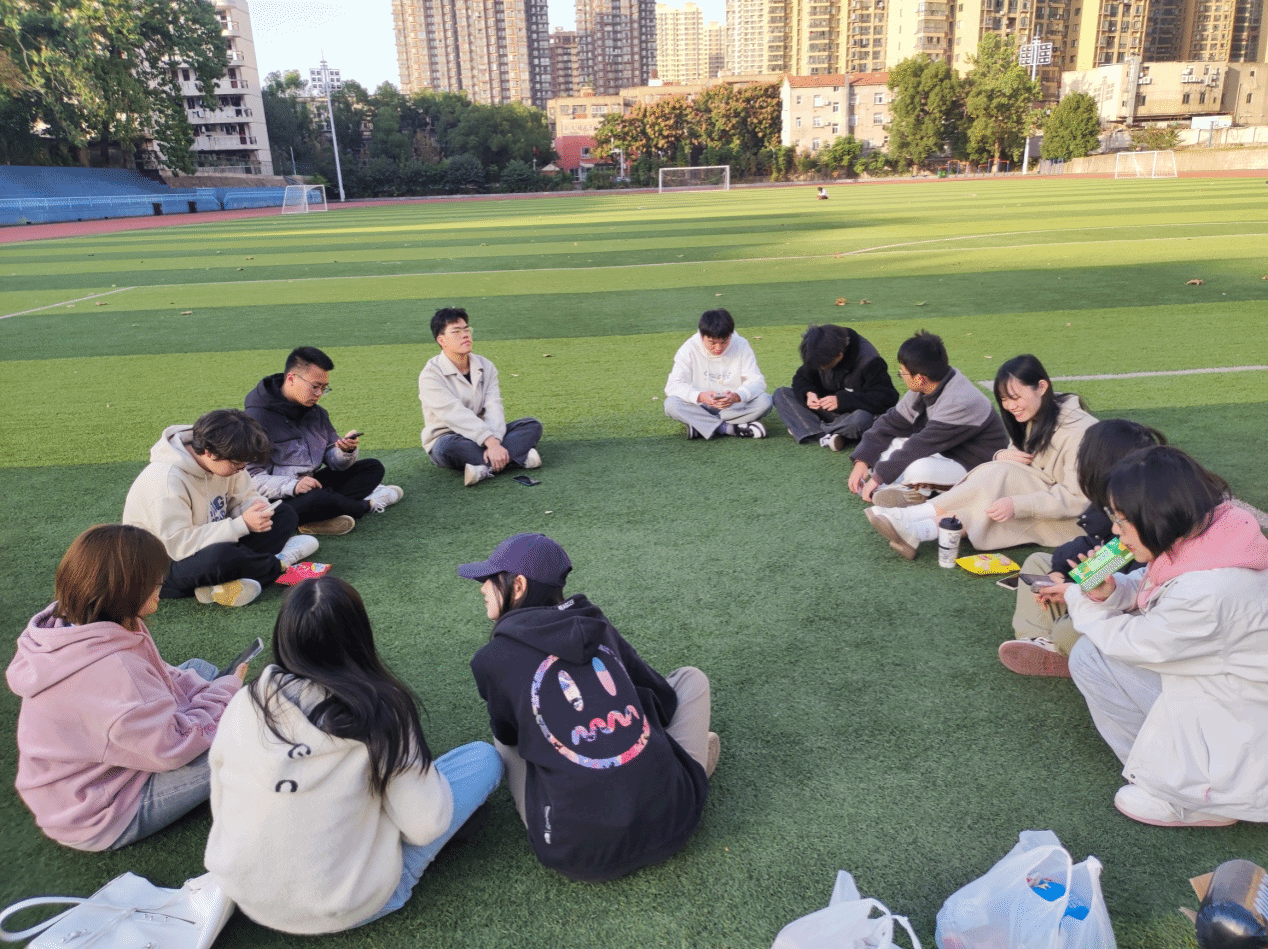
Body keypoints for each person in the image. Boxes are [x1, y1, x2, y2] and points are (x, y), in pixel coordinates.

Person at [205, 576, 502, 933]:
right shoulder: (381, 713)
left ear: (284, 637)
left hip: (244, 894)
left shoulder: (245, 701)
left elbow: (221, 796)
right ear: (358, 637)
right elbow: (426, 827)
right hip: (345, 906)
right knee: (483, 760)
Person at [464, 533, 717, 882]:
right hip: (675, 819)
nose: (482, 588)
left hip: (575, 852)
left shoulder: (490, 660)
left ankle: (678, 766)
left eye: (489, 579)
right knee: (690, 678)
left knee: (501, 741)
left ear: (518, 585)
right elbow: (665, 700)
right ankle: (683, 766)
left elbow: (509, 736)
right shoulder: (596, 624)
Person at [1041, 446, 1268, 827]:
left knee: (1096, 654)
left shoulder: (1210, 590)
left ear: (1156, 515)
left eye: (1122, 520)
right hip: (1234, 694)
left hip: (1243, 716)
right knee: (1090, 655)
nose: (1115, 531)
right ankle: (1165, 775)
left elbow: (1132, 643)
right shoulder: (1214, 532)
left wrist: (1079, 598)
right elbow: (1157, 583)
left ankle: (1199, 798)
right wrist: (1110, 592)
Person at [7, 524, 244, 851]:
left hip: (74, 781)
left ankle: (212, 705)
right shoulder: (116, 671)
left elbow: (163, 675)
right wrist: (226, 693)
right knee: (240, 740)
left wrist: (213, 697)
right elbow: (172, 747)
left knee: (198, 671)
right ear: (125, 588)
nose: (162, 585)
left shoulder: (77, 624)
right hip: (98, 812)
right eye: (155, 580)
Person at [865, 354, 1096, 560]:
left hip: (1069, 516)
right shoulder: (1038, 411)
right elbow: (1016, 451)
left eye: (1015, 398)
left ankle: (913, 519)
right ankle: (917, 528)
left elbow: (1076, 500)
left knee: (994, 482)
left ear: (1042, 387)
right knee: (991, 485)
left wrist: (1017, 504)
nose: (1010, 406)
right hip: (1032, 487)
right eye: (1004, 399)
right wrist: (1004, 454)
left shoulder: (1078, 432)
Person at [999, 419, 1166, 677]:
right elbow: (1096, 547)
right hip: (1110, 583)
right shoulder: (1113, 501)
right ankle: (1039, 641)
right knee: (1038, 564)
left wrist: (1078, 589)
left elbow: (1136, 586)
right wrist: (1060, 571)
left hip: (1129, 606)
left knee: (1068, 630)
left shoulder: (1148, 514)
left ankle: (1062, 648)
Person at [123, 409, 318, 608]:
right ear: (209, 452)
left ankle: (218, 584)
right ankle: (279, 564)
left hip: (213, 542)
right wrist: (242, 525)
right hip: (163, 565)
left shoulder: (227, 457)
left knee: (284, 514)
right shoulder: (166, 481)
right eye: (237, 464)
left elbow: (245, 496)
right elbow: (179, 546)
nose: (242, 469)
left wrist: (256, 508)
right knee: (221, 557)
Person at [245, 346, 402, 536]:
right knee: (319, 498)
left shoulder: (316, 413)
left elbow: (333, 460)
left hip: (310, 486)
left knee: (372, 468)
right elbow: (250, 479)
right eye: (315, 386)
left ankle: (321, 516)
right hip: (277, 499)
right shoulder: (256, 419)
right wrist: (292, 486)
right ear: (291, 378)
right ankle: (365, 505)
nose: (319, 394)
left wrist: (344, 451)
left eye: (324, 388)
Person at [848, 330, 1008, 506]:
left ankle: (905, 489)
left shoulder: (960, 401)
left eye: (903, 373)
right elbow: (890, 422)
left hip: (977, 465)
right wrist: (862, 460)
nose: (901, 376)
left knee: (919, 469)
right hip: (948, 451)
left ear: (919, 378)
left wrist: (878, 477)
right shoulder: (925, 386)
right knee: (894, 444)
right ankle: (907, 488)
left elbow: (920, 445)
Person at [420, 307, 543, 487]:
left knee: (531, 425)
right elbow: (454, 414)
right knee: (448, 447)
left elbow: (494, 405)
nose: (465, 335)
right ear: (441, 340)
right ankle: (518, 458)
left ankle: (482, 468)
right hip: (449, 437)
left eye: (466, 329)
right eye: (456, 331)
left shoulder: (486, 365)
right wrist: (490, 443)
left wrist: (495, 441)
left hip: (487, 434)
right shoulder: (430, 375)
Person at [772, 323, 899, 449]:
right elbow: (801, 378)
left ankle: (811, 429)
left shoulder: (869, 361)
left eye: (825, 366)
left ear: (840, 354)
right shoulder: (817, 352)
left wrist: (842, 400)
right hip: (825, 409)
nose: (821, 368)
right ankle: (832, 435)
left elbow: (887, 398)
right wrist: (809, 393)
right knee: (781, 394)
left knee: (861, 420)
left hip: (853, 414)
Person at [663, 308, 771, 440]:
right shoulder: (689, 348)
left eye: (724, 341)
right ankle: (729, 428)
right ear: (702, 336)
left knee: (765, 401)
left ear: (731, 335)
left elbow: (757, 381)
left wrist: (737, 396)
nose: (718, 348)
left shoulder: (741, 344)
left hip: (733, 407)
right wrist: (700, 396)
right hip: (701, 406)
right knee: (671, 404)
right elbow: (673, 385)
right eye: (712, 343)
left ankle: (701, 425)